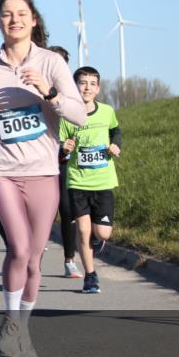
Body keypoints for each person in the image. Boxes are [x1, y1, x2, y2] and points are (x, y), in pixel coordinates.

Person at [0, 0, 86, 357]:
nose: (13, 19)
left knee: (34, 259)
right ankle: (11, 324)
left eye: (21, 13)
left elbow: (78, 114)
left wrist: (48, 93)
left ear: (33, 20)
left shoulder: (51, 64)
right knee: (18, 247)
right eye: (6, 14)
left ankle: (21, 331)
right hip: (0, 170)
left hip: (43, 172)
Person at [60, 66, 122, 294]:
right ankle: (90, 276)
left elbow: (116, 131)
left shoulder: (107, 111)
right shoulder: (67, 115)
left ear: (98, 88)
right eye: (82, 83)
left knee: (102, 233)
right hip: (78, 181)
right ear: (75, 87)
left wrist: (116, 145)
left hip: (103, 182)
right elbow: (60, 144)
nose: (87, 87)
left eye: (91, 84)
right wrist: (64, 147)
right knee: (84, 231)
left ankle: (97, 242)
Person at [47, 46, 82, 278]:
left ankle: (70, 260)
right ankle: (29, 263)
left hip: (66, 165)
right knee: (39, 216)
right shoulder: (36, 91)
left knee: (68, 212)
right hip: (40, 164)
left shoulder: (72, 94)